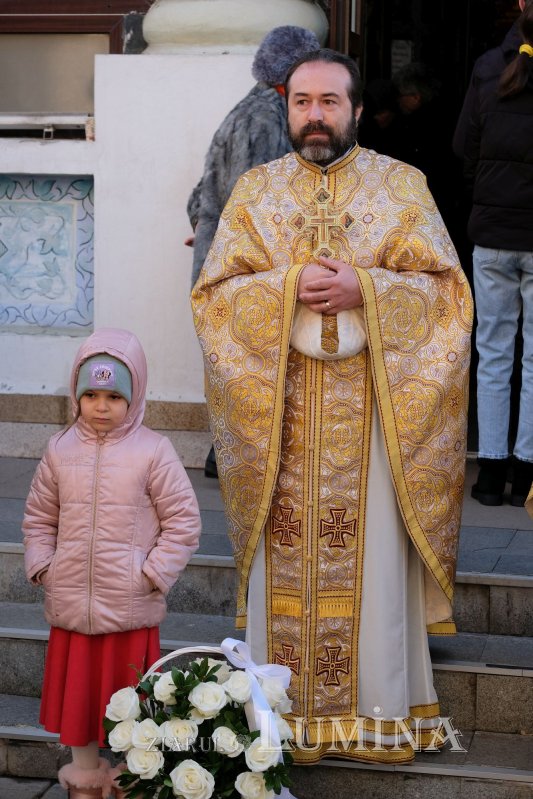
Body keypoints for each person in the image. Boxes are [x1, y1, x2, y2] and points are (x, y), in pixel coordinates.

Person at [191, 49, 473, 765]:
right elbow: (214, 298)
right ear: (285, 105)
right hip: (279, 418)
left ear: (354, 108)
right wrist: (285, 287)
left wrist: (367, 291)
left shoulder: (401, 186)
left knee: (371, 559)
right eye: (301, 102)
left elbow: (447, 296)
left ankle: (379, 714)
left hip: (373, 425)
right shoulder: (254, 192)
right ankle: (276, 719)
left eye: (328, 102)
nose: (313, 116)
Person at [23, 327, 201, 798]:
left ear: (135, 395)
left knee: (129, 703)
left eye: (114, 396)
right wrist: (45, 565)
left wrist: (152, 573)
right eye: (92, 395)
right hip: (72, 608)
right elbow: (39, 517)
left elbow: (183, 520)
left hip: (128, 607)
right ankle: (85, 777)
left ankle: (129, 775)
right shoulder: (60, 450)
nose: (101, 406)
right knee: (78, 701)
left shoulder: (154, 451)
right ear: (77, 396)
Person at [187, 25, 321, 478]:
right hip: (245, 260)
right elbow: (261, 197)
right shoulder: (267, 117)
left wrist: (203, 226)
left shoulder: (247, 107)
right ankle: (231, 454)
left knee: (240, 356)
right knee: (253, 356)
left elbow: (203, 191)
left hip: (225, 252)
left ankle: (226, 451)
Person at [453, 0, 533, 507]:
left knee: (494, 353)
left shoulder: (487, 66)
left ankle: (489, 474)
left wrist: (484, 194)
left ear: (521, 5)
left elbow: (464, 146)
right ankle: (527, 472)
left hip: (493, 234)